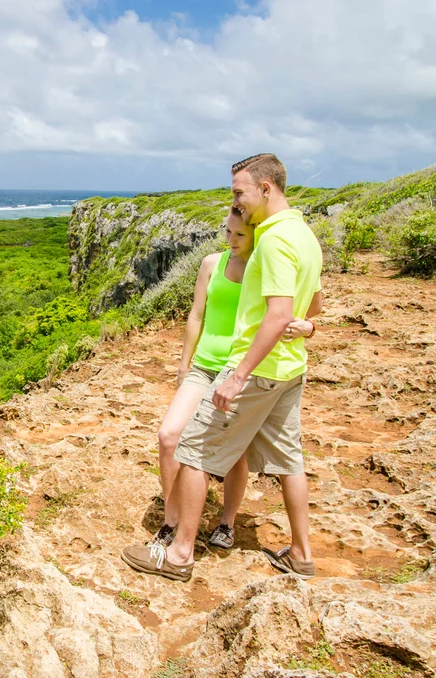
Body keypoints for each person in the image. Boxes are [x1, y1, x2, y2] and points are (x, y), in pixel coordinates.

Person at [122, 153, 323, 583]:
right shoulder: (305, 234)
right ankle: (302, 554)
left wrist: (237, 375)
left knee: (194, 451)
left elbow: (276, 315)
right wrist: (307, 328)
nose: (235, 201)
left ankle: (178, 555)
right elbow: (311, 308)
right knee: (289, 461)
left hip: (260, 367)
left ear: (265, 189)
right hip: (290, 369)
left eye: (238, 192)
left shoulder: (271, 239)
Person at [147, 207, 317, 552]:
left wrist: (309, 326)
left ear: (256, 235)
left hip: (242, 368)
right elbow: (196, 315)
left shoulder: (266, 265)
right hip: (206, 366)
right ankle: (172, 517)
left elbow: (304, 307)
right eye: (227, 232)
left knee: (235, 453)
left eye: (240, 235)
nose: (231, 240)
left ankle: (226, 523)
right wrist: (184, 364)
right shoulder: (212, 264)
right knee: (169, 436)